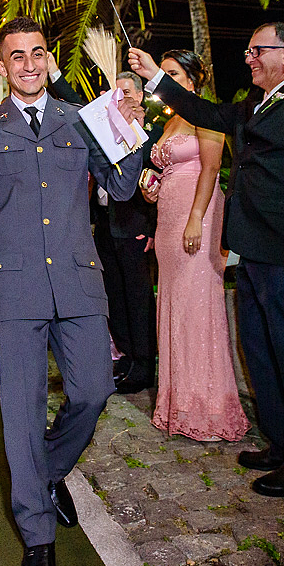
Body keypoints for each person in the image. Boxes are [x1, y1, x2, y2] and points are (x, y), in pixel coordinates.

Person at [0, 16, 142, 566]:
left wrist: (129, 132)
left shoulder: (81, 120)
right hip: (16, 288)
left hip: (80, 282)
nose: (29, 64)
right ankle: (36, 536)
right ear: (2, 66)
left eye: (37, 53)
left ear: (48, 60)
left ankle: (49, 471)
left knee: (93, 391)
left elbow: (123, 187)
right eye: (17, 56)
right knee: (21, 413)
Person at [128, 22, 284, 498]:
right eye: (247, 49)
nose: (247, 57)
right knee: (260, 350)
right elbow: (205, 110)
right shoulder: (251, 104)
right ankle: (280, 443)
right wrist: (156, 80)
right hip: (250, 247)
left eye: (256, 49)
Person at [144, 50, 248, 441]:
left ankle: (207, 407)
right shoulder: (171, 120)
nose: (163, 80)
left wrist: (194, 217)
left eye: (170, 73)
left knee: (197, 305)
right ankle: (176, 402)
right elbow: (165, 167)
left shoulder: (206, 114)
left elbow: (211, 167)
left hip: (198, 214)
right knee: (173, 305)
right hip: (168, 219)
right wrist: (152, 187)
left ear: (191, 79)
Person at [100, 71, 159, 394]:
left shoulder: (150, 132)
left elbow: (156, 179)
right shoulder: (106, 128)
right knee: (116, 299)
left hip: (136, 227)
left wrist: (150, 227)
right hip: (108, 228)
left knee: (138, 301)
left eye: (125, 92)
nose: (119, 98)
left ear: (139, 96)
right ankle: (126, 358)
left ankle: (143, 366)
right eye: (115, 93)